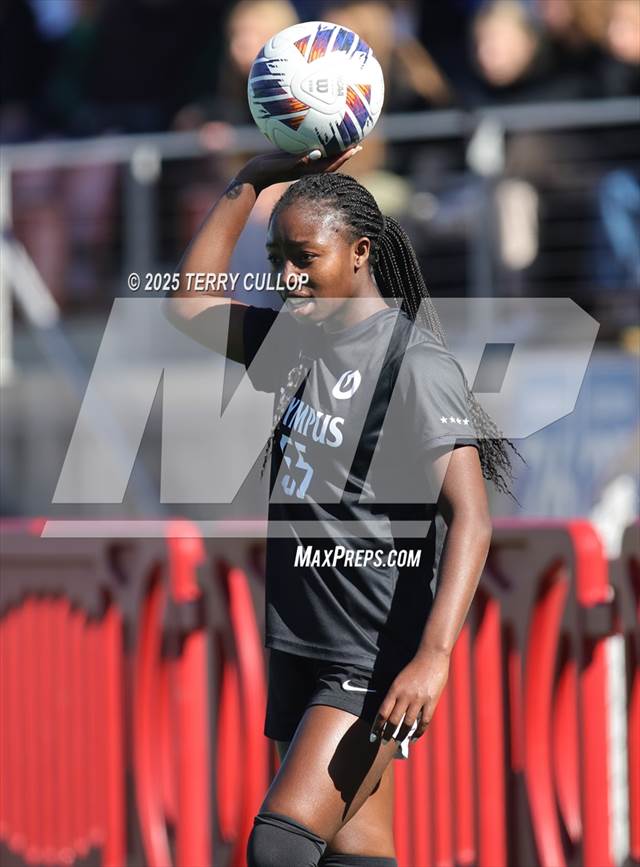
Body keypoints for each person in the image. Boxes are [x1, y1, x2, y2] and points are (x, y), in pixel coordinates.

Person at [166, 146, 519, 867]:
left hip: (369, 656)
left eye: (305, 257)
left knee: (278, 845)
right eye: (277, 261)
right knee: (352, 854)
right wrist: (251, 180)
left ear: (359, 252)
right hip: (300, 642)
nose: (287, 278)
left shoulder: (412, 363)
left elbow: (471, 517)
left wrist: (433, 656)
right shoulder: (298, 340)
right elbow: (192, 304)